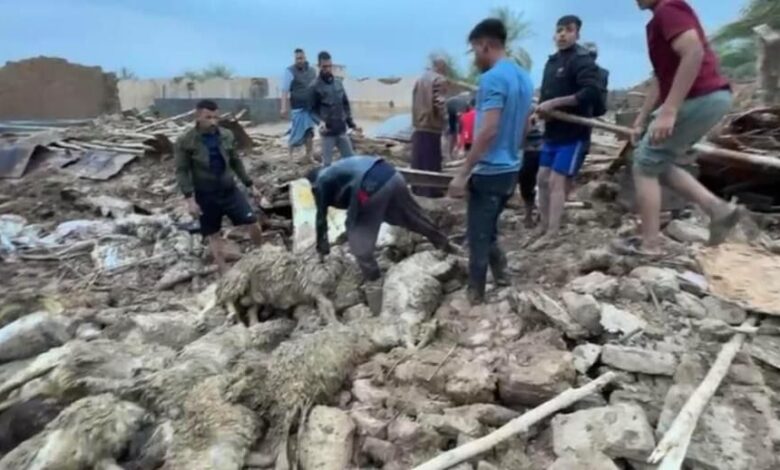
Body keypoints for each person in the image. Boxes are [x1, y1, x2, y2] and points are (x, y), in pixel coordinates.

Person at [619, 0, 739, 256]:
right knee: (655, 161)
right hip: (704, 98)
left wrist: (670, 109)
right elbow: (660, 77)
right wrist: (642, 118)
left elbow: (693, 51)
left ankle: (650, 245)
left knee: (644, 166)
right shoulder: (658, 20)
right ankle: (718, 209)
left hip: (699, 96)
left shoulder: (669, 9)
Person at [448, 18, 534, 304]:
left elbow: (487, 131)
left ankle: (475, 295)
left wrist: (463, 172)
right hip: (511, 168)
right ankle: (502, 275)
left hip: (489, 172)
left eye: (474, 50)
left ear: (485, 45)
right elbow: (525, 126)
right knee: (490, 227)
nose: (474, 57)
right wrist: (513, 153)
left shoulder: (492, 79)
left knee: (477, 235)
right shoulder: (524, 78)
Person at [309, 156, 452, 281]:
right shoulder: (337, 170)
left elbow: (321, 218)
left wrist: (322, 248)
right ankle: (443, 243)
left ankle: (374, 281)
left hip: (369, 186)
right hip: (393, 175)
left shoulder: (321, 182)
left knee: (359, 239)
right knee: (409, 216)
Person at [534, 15, 601, 246]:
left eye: (568, 30)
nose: (562, 34)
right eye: (559, 30)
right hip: (552, 132)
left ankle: (553, 233)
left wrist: (555, 104)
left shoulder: (582, 60)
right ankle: (543, 225)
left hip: (573, 133)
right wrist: (541, 110)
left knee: (556, 181)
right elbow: (546, 94)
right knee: (542, 178)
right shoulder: (552, 62)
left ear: (577, 34)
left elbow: (591, 92)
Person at [175, 100, 264, 273]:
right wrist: (190, 200)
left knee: (252, 221)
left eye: (215, 117)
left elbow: (236, 162)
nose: (213, 122)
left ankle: (261, 255)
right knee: (213, 233)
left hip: (229, 190)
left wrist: (250, 185)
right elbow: (182, 171)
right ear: (198, 116)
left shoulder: (226, 135)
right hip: (206, 194)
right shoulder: (185, 141)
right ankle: (224, 270)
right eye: (208, 117)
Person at [310, 51, 361, 167]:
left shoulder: (338, 83)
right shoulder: (314, 86)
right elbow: (311, 111)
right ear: (319, 66)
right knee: (327, 165)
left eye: (329, 66)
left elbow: (345, 104)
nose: (327, 69)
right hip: (327, 133)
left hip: (341, 130)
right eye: (324, 66)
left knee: (351, 161)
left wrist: (351, 123)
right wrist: (320, 122)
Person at [411, 56, 449, 197]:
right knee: (432, 159)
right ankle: (431, 190)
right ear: (441, 67)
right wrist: (445, 119)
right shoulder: (439, 80)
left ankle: (417, 188)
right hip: (432, 124)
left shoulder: (419, 80)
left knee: (419, 159)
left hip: (419, 124)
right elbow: (439, 102)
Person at [281, 49, 318, 163]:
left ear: (305, 58)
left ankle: (309, 156)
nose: (299, 61)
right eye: (297, 59)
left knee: (309, 132)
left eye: (301, 58)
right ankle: (290, 157)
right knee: (296, 133)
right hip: (298, 108)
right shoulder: (290, 71)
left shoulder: (312, 71)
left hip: (310, 108)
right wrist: (283, 107)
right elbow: (285, 90)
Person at [519, 113, 544, 227]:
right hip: (528, 151)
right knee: (527, 185)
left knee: (542, 184)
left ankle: (538, 214)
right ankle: (529, 215)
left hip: (540, 149)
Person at [447, 93, 471, 159]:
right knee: (461, 132)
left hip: (450, 108)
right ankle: (460, 151)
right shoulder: (465, 103)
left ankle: (450, 153)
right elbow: (461, 116)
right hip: (455, 110)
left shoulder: (456, 100)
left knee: (453, 132)